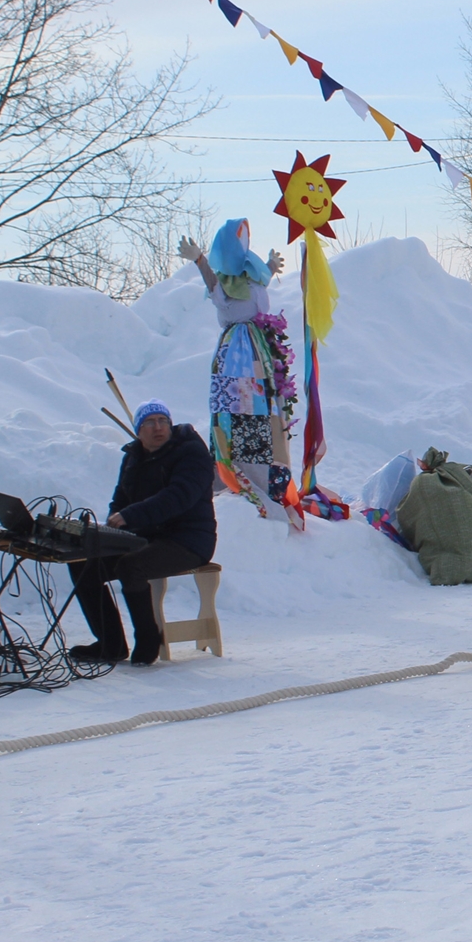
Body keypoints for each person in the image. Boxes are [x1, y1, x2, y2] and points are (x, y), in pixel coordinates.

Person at [67, 400, 218, 666]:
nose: (158, 427)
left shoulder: (191, 453)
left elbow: (177, 497)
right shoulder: (133, 457)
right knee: (83, 564)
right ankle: (110, 644)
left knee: (131, 566)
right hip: (147, 538)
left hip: (188, 540)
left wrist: (130, 516)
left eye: (163, 421)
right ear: (138, 430)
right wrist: (111, 528)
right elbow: (120, 500)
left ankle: (148, 640)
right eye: (150, 422)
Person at [179, 220, 295, 524]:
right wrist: (199, 259)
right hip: (237, 358)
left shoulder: (251, 275)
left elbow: (260, 283)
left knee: (264, 411)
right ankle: (239, 476)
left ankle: (267, 476)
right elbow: (213, 285)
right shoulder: (224, 284)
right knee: (240, 411)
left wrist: (270, 265)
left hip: (258, 350)